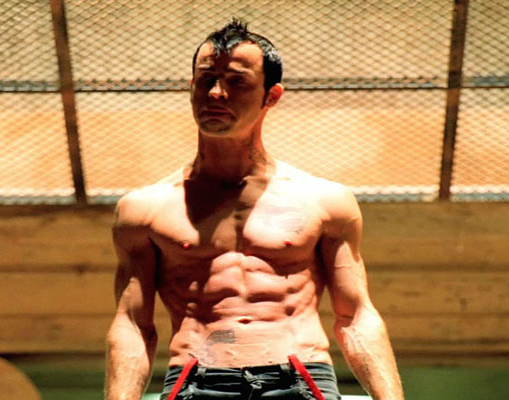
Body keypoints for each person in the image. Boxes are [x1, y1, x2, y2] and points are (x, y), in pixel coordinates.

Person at [105, 18, 404, 400]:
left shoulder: (324, 200)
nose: (216, 93)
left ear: (271, 96)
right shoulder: (144, 209)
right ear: (191, 86)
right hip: (195, 381)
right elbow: (133, 325)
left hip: (301, 377)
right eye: (206, 79)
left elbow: (355, 315)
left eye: (237, 82)